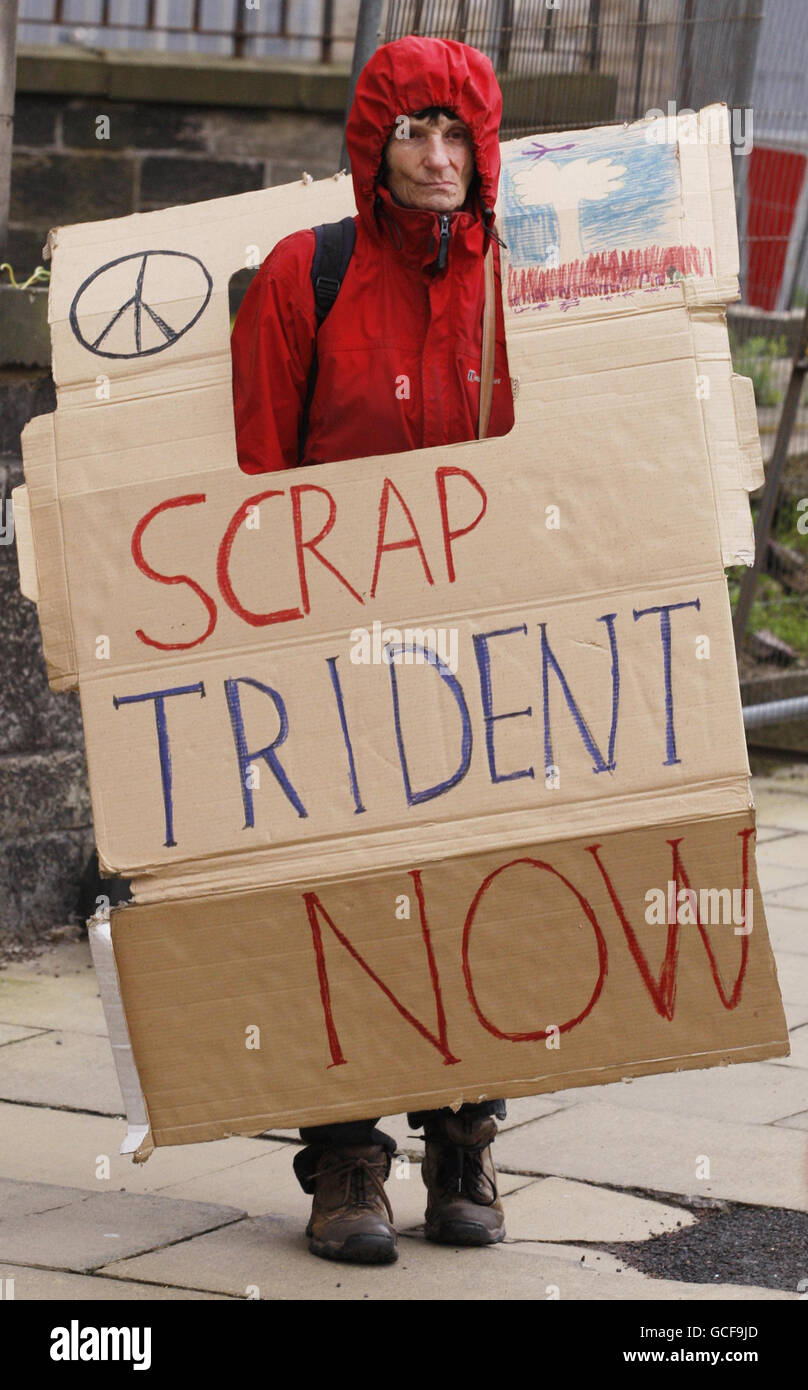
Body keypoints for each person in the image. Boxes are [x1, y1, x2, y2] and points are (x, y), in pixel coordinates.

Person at [231, 35, 515, 1265]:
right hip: (335, 645)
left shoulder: (522, 282)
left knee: (481, 888)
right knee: (342, 901)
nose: (439, 158)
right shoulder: (309, 273)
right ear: (374, 145)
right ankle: (345, 1160)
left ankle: (462, 1138)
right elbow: (248, 476)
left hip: (485, 643)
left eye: (458, 134)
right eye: (415, 133)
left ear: (485, 146)